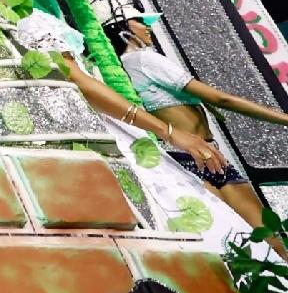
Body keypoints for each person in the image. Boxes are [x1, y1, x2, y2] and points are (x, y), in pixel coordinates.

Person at [104, 16, 288, 236]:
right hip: (195, 156)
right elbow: (222, 100)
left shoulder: (127, 65)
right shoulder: (145, 59)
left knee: (229, 240)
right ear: (122, 29)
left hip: (196, 156)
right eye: (138, 21)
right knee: (268, 239)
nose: (147, 26)